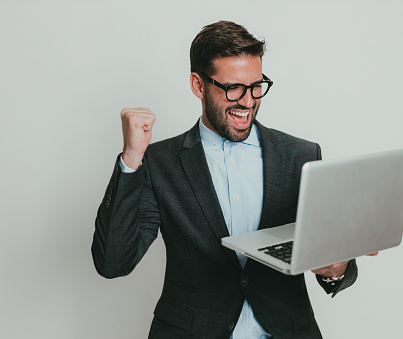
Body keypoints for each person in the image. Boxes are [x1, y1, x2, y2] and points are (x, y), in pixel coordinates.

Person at [92, 20, 364, 338]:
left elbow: (325, 250)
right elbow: (113, 262)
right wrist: (131, 159)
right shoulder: (158, 162)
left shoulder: (300, 156)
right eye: (233, 88)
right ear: (198, 85)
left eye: (256, 86)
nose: (248, 101)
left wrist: (337, 268)